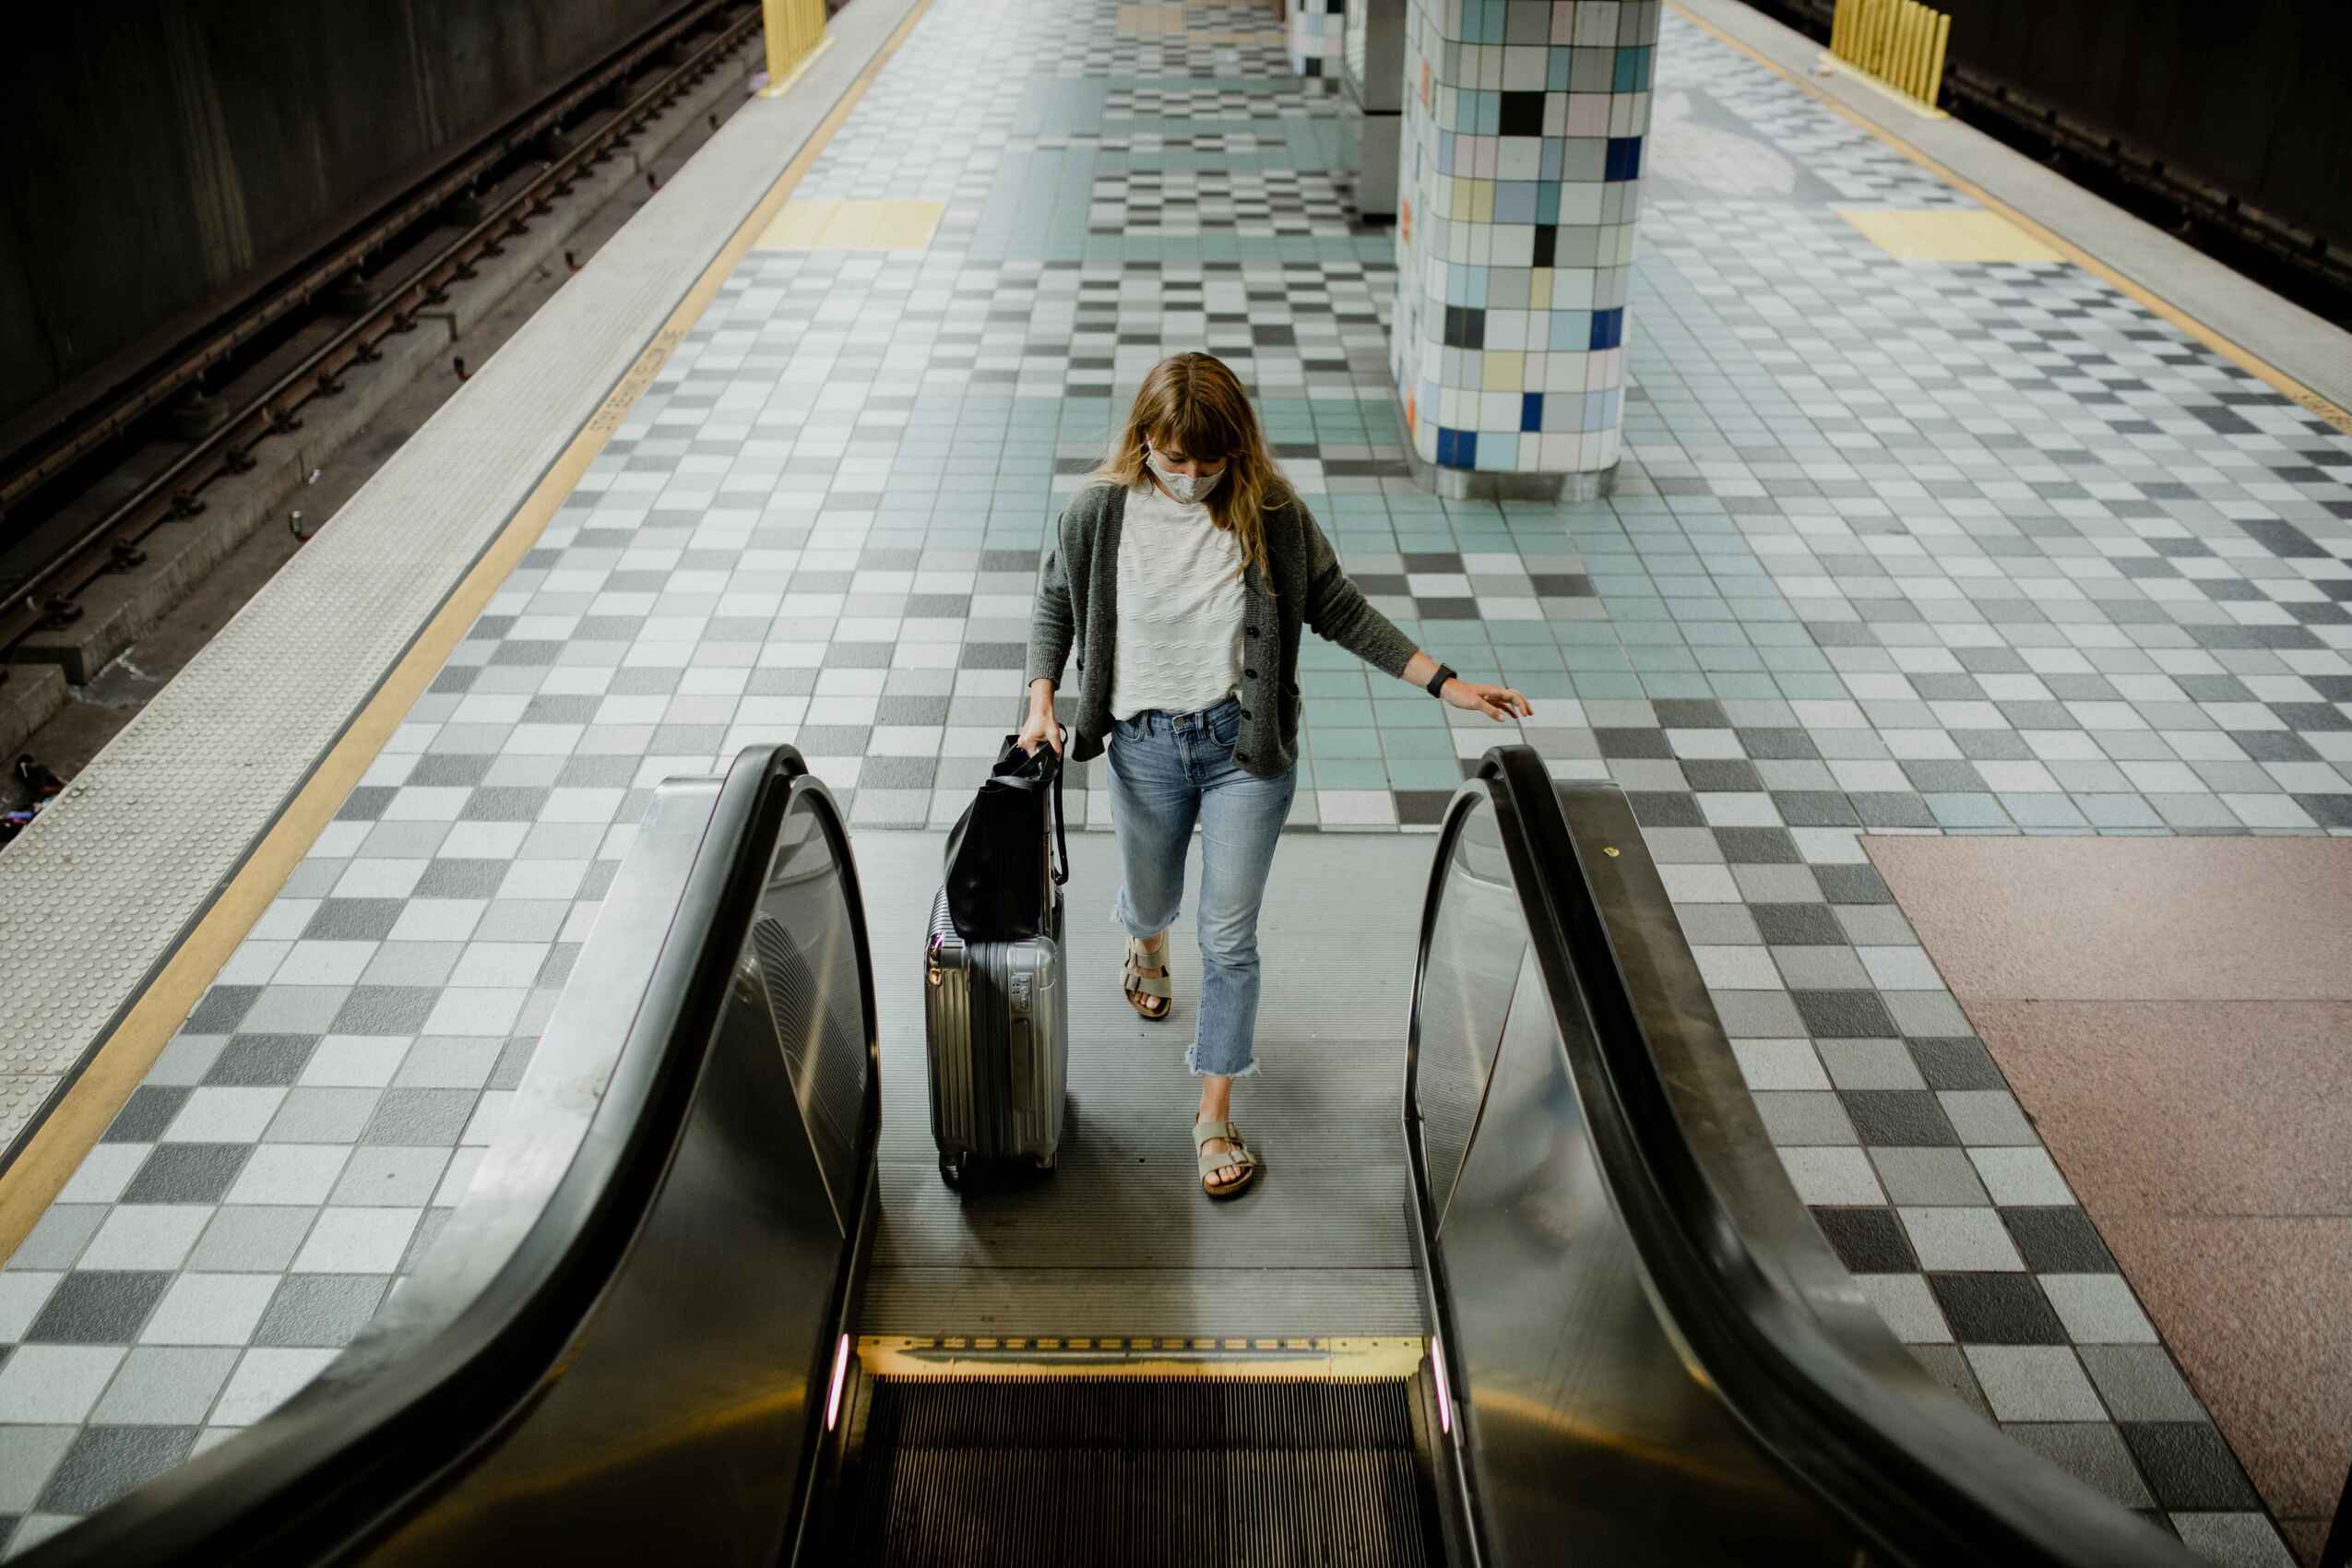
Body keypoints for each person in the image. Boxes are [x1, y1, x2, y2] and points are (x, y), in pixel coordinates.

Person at [1020, 352, 1531, 1200]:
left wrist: (1448, 684)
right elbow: (1055, 604)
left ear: (1236, 450)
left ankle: (1213, 1112)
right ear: (1144, 439)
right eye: (1172, 458)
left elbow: (1338, 607)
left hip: (1242, 754)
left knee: (1227, 936)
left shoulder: (1269, 514)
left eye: (1207, 462)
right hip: (1142, 749)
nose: (1188, 477)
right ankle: (1144, 941)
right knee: (1152, 898)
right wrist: (1043, 704)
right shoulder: (1098, 513)